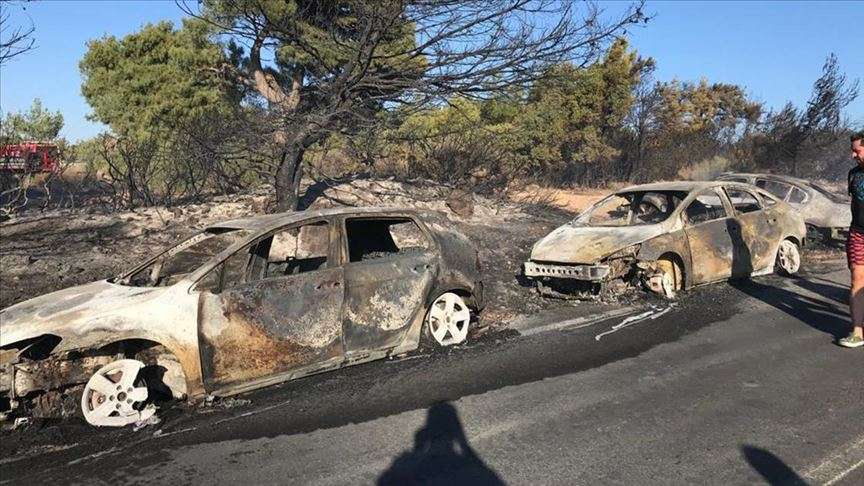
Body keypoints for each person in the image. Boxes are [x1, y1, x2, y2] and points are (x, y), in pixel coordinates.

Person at [841, 130, 864, 348]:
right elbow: (854, 204)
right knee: (857, 279)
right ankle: (857, 332)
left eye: (857, 151)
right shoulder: (853, 175)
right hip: (858, 233)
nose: (853, 155)